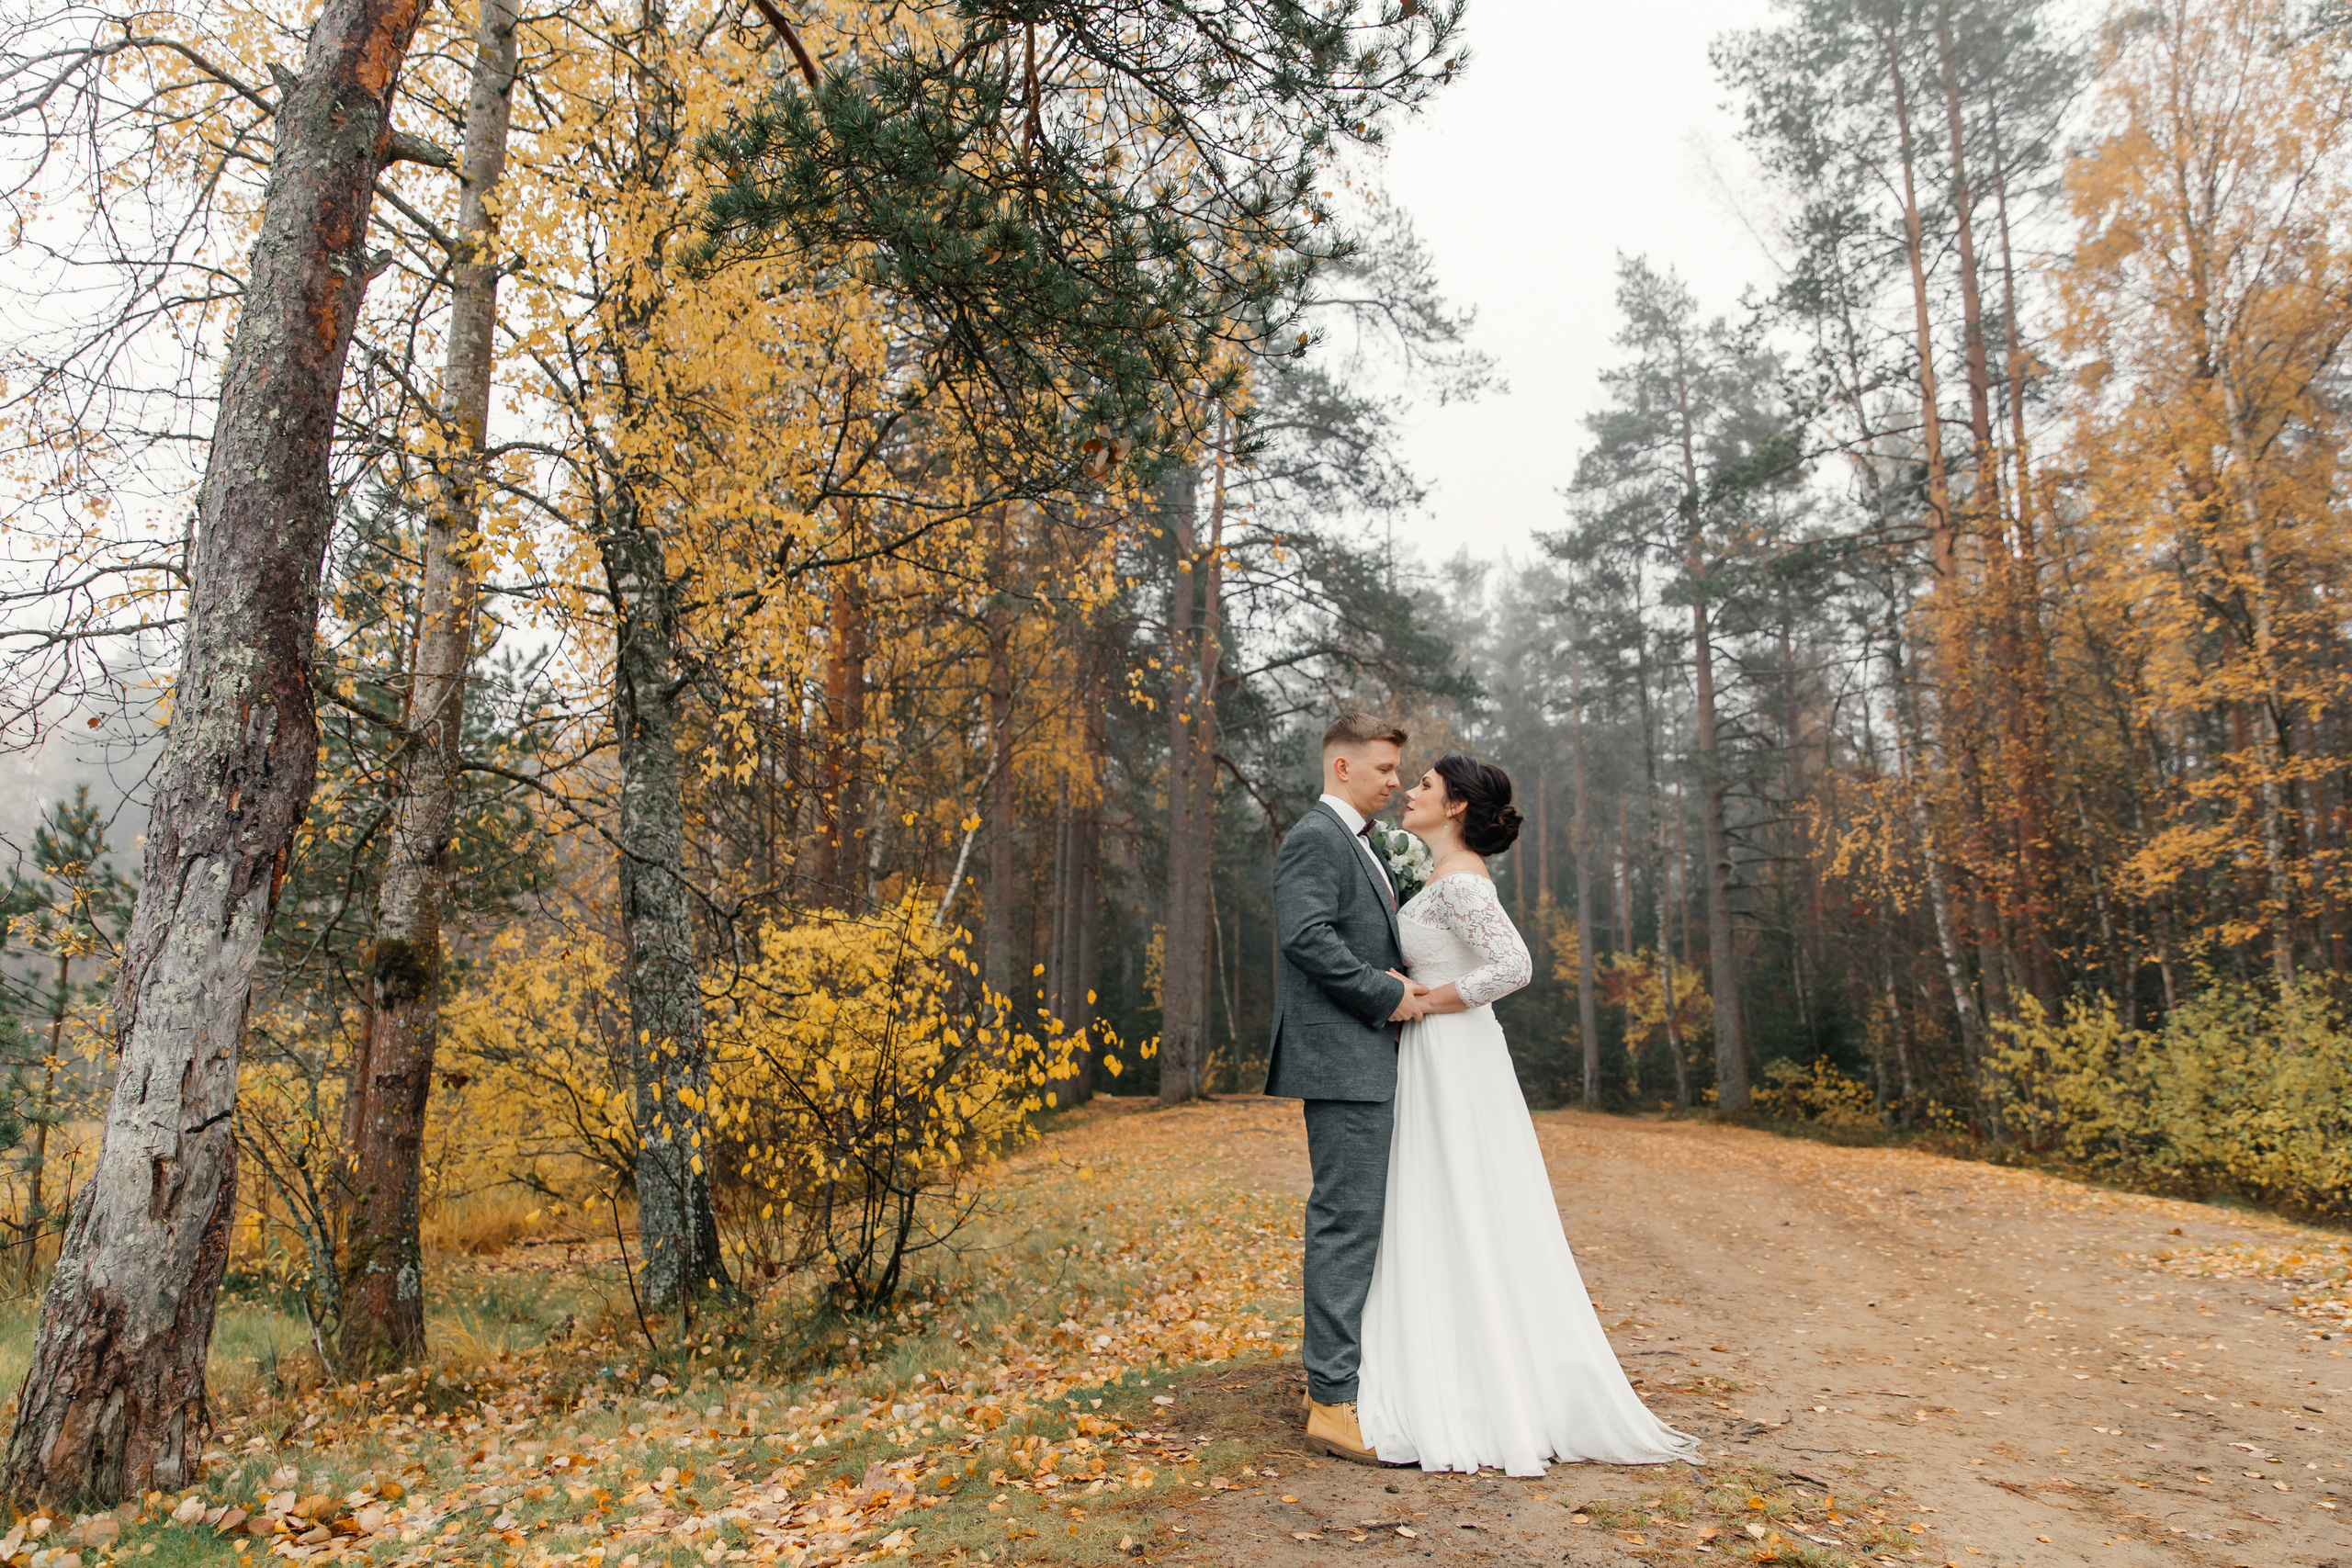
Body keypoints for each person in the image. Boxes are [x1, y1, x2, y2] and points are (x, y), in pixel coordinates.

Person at [1353, 751, 1701, 1475]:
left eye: (1424, 785)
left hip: (1453, 1051)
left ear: (1454, 807)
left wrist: (1423, 997)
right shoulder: (1441, 877)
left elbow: (1515, 966)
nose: (1409, 792)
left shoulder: (1460, 882)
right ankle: (1460, 1364)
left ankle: (1481, 1390)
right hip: (1438, 1053)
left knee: (1462, 1202)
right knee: (1443, 1205)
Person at [1264, 713, 1432, 1465]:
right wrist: (1382, 992)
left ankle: (1342, 1380)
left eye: (1399, 770)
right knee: (1346, 1221)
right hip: (1342, 1061)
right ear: (1342, 768)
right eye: (1385, 768)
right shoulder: (1314, 836)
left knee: (1363, 1219)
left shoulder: (1356, 841)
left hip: (1365, 1058)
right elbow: (1305, 936)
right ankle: (1332, 1400)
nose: (1396, 781)